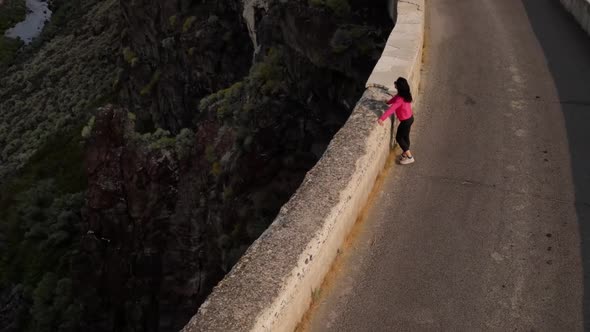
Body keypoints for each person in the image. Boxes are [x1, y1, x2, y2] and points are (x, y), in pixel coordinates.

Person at [377, 77, 415, 165]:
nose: (395, 84)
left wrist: (381, 118)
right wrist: (388, 102)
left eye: (396, 83)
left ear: (399, 87)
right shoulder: (404, 95)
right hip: (410, 118)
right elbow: (394, 100)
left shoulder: (400, 99)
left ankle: (410, 157)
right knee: (405, 137)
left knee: (399, 138)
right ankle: (405, 154)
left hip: (405, 121)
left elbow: (391, 109)